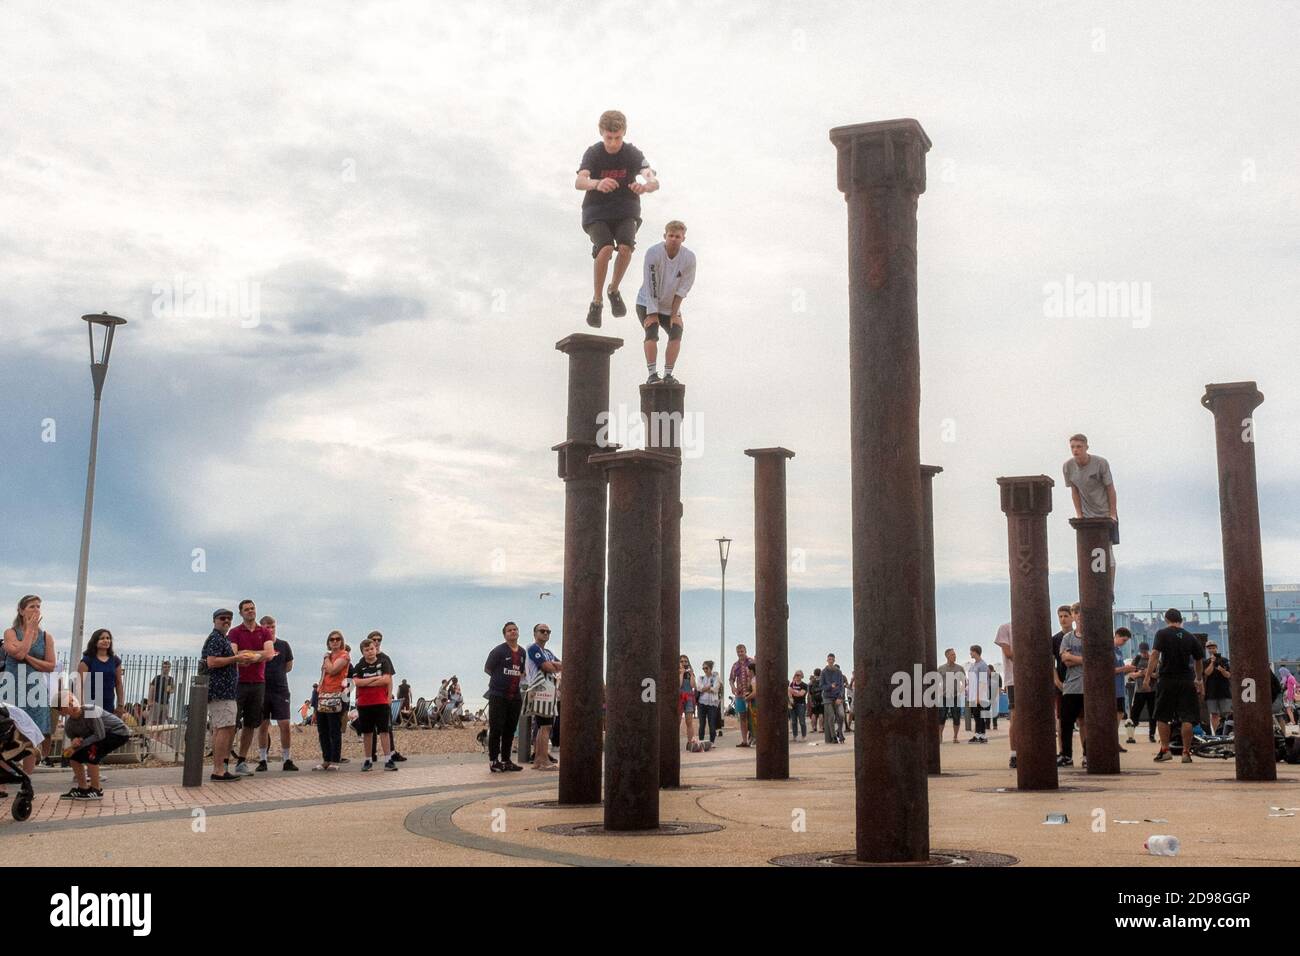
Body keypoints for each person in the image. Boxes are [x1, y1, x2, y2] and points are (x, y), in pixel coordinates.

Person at [575, 109, 658, 328]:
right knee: (604, 249)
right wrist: (597, 183)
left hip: (625, 208)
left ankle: (613, 289)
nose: (613, 143)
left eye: (617, 137)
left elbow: (652, 179)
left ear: (624, 133)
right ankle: (597, 300)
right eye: (608, 138)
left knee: (624, 248)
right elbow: (580, 181)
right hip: (597, 210)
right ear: (602, 133)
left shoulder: (632, 153)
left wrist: (646, 186)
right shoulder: (593, 153)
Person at [635, 221, 696, 384]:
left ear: (683, 238)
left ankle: (668, 374)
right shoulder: (653, 253)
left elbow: (684, 288)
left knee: (677, 331)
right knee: (652, 330)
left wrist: (675, 313)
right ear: (665, 236)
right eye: (671, 236)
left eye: (678, 236)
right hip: (646, 301)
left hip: (670, 305)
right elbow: (651, 282)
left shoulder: (689, 258)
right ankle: (652, 374)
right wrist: (652, 313)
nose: (674, 239)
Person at [2, 594, 58, 769]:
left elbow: (50, 665)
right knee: (6, 733)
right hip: (12, 687)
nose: (36, 610)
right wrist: (29, 632)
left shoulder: (46, 637)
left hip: (35, 689)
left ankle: (26, 780)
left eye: (38, 606)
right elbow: (17, 654)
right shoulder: (10, 633)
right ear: (21, 610)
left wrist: (28, 658)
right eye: (32, 606)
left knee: (32, 735)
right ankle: (2, 783)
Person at [1062, 434, 1118, 602]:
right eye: (1072, 447)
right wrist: (1079, 514)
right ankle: (1090, 589)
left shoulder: (1100, 463)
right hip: (1087, 516)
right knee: (1087, 552)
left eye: (1079, 446)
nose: (1075, 450)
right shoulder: (1068, 467)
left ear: (1086, 447)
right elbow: (1074, 491)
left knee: (1107, 551)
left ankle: (1109, 589)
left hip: (1104, 512)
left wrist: (1112, 514)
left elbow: (1110, 488)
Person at [1145, 608, 1204, 763]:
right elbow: (1198, 660)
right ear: (1181, 620)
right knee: (1187, 717)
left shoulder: (1162, 634)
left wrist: (1147, 678)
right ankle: (1186, 752)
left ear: (1166, 619)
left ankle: (1165, 750)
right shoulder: (1190, 637)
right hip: (1186, 680)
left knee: (1162, 716)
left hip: (1167, 679)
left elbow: (1155, 655)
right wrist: (1198, 679)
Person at [227, 599, 275, 775]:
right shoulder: (234, 632)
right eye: (246, 609)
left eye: (252, 608)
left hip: (258, 683)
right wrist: (256, 655)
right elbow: (233, 653)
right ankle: (224, 762)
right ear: (241, 613)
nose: (250, 611)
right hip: (239, 683)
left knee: (250, 724)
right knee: (231, 723)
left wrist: (251, 656)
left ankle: (241, 760)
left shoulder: (264, 632)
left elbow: (270, 654)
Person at [203, 609, 251, 782]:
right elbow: (212, 661)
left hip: (225, 691)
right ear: (215, 620)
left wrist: (237, 660)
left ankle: (220, 768)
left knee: (222, 728)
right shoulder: (216, 638)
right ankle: (218, 770)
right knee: (225, 728)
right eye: (222, 618)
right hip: (221, 692)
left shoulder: (222, 638)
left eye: (229, 619)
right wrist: (236, 659)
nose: (226, 621)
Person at [57, 694, 130, 800]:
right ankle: (83, 788)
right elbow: (77, 741)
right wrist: (74, 745)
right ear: (62, 712)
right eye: (68, 704)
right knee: (74, 757)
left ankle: (96, 789)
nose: (73, 704)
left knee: (91, 754)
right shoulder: (69, 726)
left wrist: (81, 743)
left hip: (118, 733)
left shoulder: (90, 710)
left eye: (73, 700)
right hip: (102, 736)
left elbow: (100, 735)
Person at [256, 615, 298, 771]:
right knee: (263, 725)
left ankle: (287, 758)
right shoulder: (258, 646)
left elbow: (288, 666)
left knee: (284, 724)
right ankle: (262, 759)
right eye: (266, 627)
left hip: (280, 689)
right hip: (262, 689)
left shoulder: (283, 645)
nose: (270, 629)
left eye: (272, 626)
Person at [483, 622, 526, 772]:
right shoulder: (498, 651)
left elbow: (521, 671)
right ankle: (494, 761)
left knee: (510, 729)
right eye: (509, 630)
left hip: (515, 696)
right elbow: (488, 669)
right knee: (496, 729)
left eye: (515, 629)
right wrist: (500, 680)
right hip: (498, 695)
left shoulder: (522, 652)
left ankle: (506, 760)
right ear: (505, 634)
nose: (513, 632)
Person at [350, 638, 397, 771]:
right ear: (362, 652)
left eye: (372, 649)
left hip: (381, 702)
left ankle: (388, 759)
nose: (370, 652)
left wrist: (367, 681)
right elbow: (356, 682)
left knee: (384, 731)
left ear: (375, 649)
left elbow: (387, 680)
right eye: (367, 650)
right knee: (367, 732)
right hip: (365, 704)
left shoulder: (384, 662)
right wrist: (376, 678)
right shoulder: (359, 666)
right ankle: (368, 760)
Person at [524, 623, 561, 770]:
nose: (545, 633)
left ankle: (539, 759)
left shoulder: (549, 652)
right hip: (540, 689)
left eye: (548, 631)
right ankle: (543, 760)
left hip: (549, 690)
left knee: (543, 726)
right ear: (535, 633)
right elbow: (546, 667)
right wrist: (553, 665)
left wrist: (553, 664)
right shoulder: (533, 648)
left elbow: (561, 664)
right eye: (542, 631)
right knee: (545, 726)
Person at [366, 632, 406, 762]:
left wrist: (389, 696)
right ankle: (371, 754)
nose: (377, 642)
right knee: (370, 728)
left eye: (379, 640)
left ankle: (391, 752)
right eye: (374, 640)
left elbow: (389, 679)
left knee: (386, 727)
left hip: (382, 697)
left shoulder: (385, 658)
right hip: (368, 698)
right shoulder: (364, 659)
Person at [313, 631, 350, 771]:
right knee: (322, 729)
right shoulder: (328, 656)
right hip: (323, 694)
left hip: (335, 694)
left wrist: (326, 659)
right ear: (328, 642)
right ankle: (326, 759)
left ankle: (335, 759)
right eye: (332, 639)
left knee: (334, 729)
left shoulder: (343, 655)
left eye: (337, 639)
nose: (334, 642)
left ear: (341, 641)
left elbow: (333, 670)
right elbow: (323, 674)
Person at [1058, 603, 1086, 767]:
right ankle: (1066, 755)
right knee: (1066, 723)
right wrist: (1083, 659)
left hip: (1089, 687)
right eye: (1076, 613)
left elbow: (1095, 659)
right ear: (1073, 616)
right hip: (1071, 687)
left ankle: (1087, 754)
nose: (1079, 615)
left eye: (1082, 612)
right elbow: (1064, 660)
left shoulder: (1093, 636)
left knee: (1087, 722)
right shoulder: (1067, 638)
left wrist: (1073, 658)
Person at [77, 628, 124, 718]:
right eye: (102, 638)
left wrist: (120, 704)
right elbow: (80, 685)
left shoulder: (115, 661)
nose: (106, 640)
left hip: (108, 703)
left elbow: (118, 683)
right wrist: (82, 705)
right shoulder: (87, 661)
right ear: (95, 641)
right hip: (91, 704)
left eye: (108, 638)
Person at [1113, 628, 1138, 752]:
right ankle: (1113, 741)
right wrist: (1125, 668)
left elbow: (1119, 670)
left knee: (1120, 713)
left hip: (1120, 687)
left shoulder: (1118, 651)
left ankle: (1114, 740)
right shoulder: (1111, 650)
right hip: (1114, 688)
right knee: (1117, 714)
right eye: (1123, 640)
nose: (1123, 643)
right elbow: (1111, 669)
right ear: (1116, 636)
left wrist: (1128, 670)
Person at [993, 622, 1015, 765]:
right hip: (1013, 679)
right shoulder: (1006, 628)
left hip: (1035, 678)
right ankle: (1014, 753)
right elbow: (1008, 653)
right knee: (1015, 716)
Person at [1128, 642, 1157, 743]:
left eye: (1145, 652)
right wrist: (1140, 674)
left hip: (1152, 690)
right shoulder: (1137, 659)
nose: (1144, 654)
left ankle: (1152, 735)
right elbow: (1131, 674)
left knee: (1152, 714)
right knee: (1135, 713)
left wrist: (1148, 673)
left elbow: (1158, 675)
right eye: (1142, 652)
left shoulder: (1154, 660)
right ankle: (1130, 735)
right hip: (1139, 691)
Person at [1202, 641, 1232, 735]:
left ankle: (1226, 733)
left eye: (1213, 648)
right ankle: (1216, 734)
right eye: (1209, 648)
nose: (1211, 650)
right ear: (1207, 650)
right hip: (1211, 692)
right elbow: (1207, 673)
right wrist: (1212, 662)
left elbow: (1228, 675)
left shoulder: (1225, 660)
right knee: (1214, 714)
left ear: (1217, 648)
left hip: (1224, 692)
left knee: (1226, 714)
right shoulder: (1206, 662)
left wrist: (1222, 670)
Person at [937, 649, 966, 744]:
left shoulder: (959, 668)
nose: (954, 656)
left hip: (955, 696)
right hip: (944, 697)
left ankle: (955, 737)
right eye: (952, 655)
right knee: (941, 717)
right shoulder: (941, 668)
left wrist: (961, 690)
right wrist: (939, 690)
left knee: (956, 717)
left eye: (955, 654)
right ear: (947, 656)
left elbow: (964, 682)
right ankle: (940, 736)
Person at [729, 644, 755, 748]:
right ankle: (744, 740)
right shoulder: (735, 665)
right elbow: (731, 679)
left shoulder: (752, 662)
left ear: (745, 651)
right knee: (742, 717)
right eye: (738, 652)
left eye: (742, 651)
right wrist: (733, 687)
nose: (740, 653)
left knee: (753, 716)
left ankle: (753, 737)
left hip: (751, 694)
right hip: (740, 695)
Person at [966, 645, 991, 744]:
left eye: (971, 651)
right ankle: (980, 735)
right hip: (972, 694)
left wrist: (978, 697)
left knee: (979, 714)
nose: (970, 653)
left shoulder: (983, 665)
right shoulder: (973, 665)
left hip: (980, 695)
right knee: (976, 715)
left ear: (975, 652)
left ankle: (981, 735)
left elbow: (983, 682)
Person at [820, 654, 846, 744]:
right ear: (827, 660)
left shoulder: (838, 672)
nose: (830, 661)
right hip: (827, 697)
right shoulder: (823, 672)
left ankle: (839, 731)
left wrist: (840, 697)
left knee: (842, 715)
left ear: (834, 660)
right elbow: (821, 686)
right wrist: (830, 686)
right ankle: (833, 736)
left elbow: (842, 686)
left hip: (837, 696)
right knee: (831, 716)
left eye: (832, 659)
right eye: (829, 659)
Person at [696, 660, 721, 746]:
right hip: (701, 703)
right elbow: (699, 688)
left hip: (712, 704)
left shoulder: (716, 677)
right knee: (702, 724)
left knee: (712, 723)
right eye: (703, 668)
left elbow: (715, 689)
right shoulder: (700, 678)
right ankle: (701, 741)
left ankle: (712, 742)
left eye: (706, 668)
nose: (704, 670)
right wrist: (709, 687)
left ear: (711, 668)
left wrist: (705, 689)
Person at [678, 654, 698, 751]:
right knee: (677, 721)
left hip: (689, 698)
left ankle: (690, 742)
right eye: (681, 661)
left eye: (686, 661)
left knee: (689, 721)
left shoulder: (690, 673)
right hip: (679, 698)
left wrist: (691, 674)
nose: (684, 663)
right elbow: (679, 685)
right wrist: (681, 673)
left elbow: (693, 685)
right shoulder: (678, 672)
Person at [789, 670, 808, 741]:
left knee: (802, 721)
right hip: (793, 704)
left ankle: (804, 735)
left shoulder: (804, 685)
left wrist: (793, 692)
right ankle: (795, 735)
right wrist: (794, 693)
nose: (797, 676)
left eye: (798, 675)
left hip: (801, 704)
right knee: (793, 721)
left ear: (801, 676)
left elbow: (801, 694)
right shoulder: (792, 684)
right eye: (796, 675)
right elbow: (789, 692)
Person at [808, 667, 824, 736]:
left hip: (814, 699)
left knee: (814, 714)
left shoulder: (811, 682)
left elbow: (809, 693)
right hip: (821, 698)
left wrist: (810, 701)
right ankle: (820, 727)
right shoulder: (822, 681)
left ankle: (813, 727)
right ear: (820, 673)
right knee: (821, 713)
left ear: (814, 673)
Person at [987, 664, 1002, 731]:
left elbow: (1000, 687)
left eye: (988, 670)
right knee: (987, 711)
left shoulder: (997, 676)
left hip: (994, 696)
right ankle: (987, 725)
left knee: (994, 712)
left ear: (991, 670)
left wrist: (997, 696)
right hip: (987, 697)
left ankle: (995, 725)